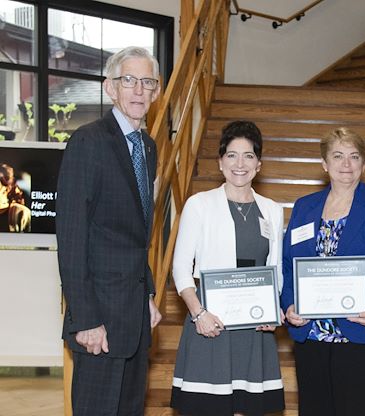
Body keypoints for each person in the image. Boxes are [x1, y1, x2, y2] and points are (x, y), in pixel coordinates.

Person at [280, 127, 365, 416]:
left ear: (364, 165)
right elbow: (289, 268)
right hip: (312, 338)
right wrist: (289, 304)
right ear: (324, 164)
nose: (346, 164)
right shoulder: (305, 207)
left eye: (354, 157)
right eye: (338, 156)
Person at [56, 46, 163, 415]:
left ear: (156, 91)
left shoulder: (147, 148)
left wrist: (146, 292)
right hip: (98, 324)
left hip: (133, 320)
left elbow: (133, 238)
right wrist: (85, 319)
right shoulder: (88, 142)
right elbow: (71, 237)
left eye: (147, 82)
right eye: (128, 80)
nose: (138, 90)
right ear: (110, 88)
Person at [169, 120, 285, 416]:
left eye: (248, 156)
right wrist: (198, 314)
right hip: (210, 323)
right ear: (220, 162)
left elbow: (276, 269)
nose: (240, 163)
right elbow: (181, 267)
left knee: (249, 409)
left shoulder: (272, 209)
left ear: (259, 164)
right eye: (232, 155)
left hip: (254, 328)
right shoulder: (199, 205)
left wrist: (274, 311)